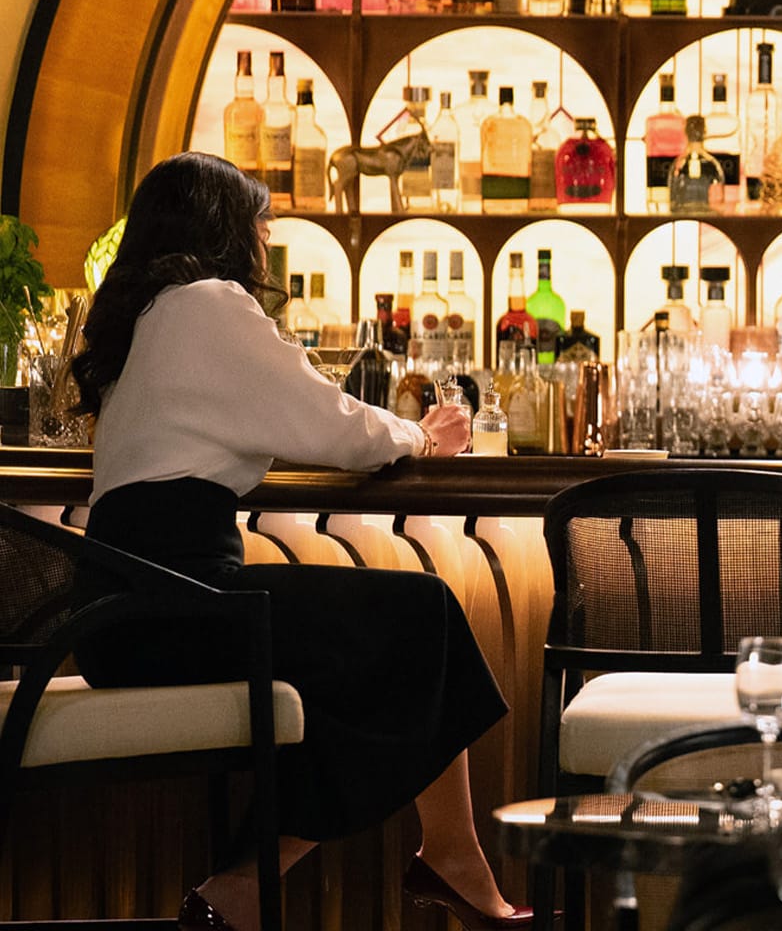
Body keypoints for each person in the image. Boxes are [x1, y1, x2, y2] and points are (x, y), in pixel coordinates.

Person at [69, 153, 527, 931]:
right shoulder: (205, 303)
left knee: (399, 640)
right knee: (421, 617)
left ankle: (438, 856)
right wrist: (422, 433)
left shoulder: (142, 323)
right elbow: (331, 423)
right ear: (223, 228)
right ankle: (253, 885)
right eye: (260, 224)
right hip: (178, 601)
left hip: (127, 609)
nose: (266, 241)